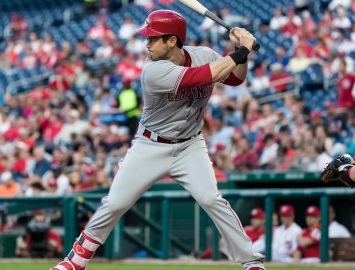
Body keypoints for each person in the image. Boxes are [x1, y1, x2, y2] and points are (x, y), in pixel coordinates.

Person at [51, 9, 265, 270]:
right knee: (116, 202)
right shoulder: (153, 71)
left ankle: (251, 261)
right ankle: (75, 261)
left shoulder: (205, 54)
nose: (147, 44)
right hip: (151, 145)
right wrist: (242, 50)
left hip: (190, 145)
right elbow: (201, 77)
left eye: (153, 38)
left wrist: (240, 51)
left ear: (172, 41)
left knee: (212, 199)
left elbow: (236, 78)